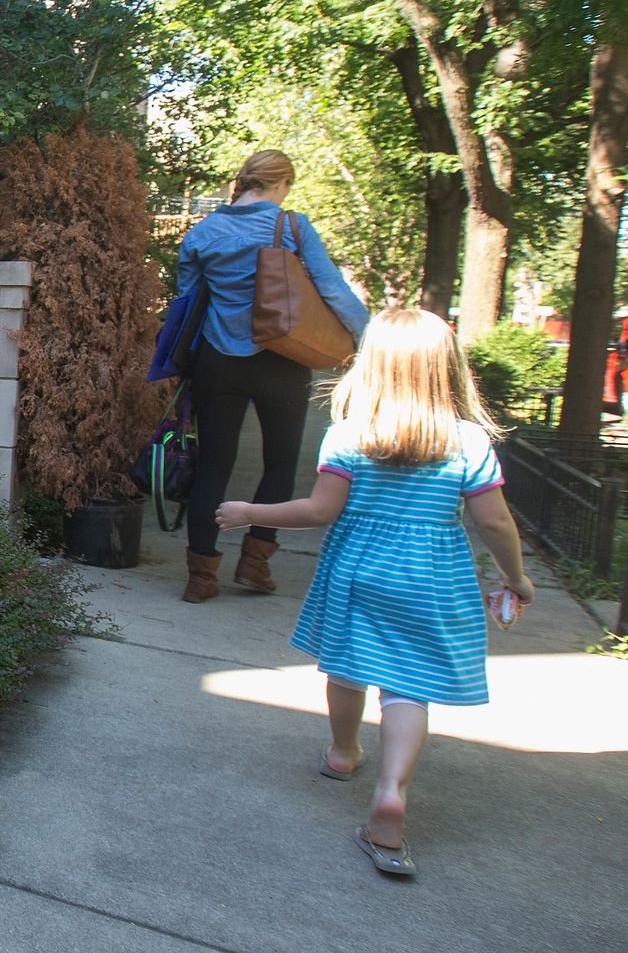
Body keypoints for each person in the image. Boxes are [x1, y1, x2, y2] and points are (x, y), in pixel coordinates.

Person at [216, 308, 536, 877]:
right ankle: (390, 793)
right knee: (408, 686)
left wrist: (249, 512)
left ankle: (343, 753)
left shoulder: (350, 434)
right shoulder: (466, 440)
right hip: (433, 576)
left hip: (358, 568)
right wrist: (514, 577)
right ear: (447, 369)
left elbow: (319, 511)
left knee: (346, 665)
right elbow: (495, 523)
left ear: (372, 366)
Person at [177, 150, 368, 604]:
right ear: (280, 183)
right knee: (280, 464)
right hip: (281, 359)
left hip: (217, 361)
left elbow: (187, 301)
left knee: (213, 469)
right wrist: (370, 341)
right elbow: (332, 289)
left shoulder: (202, 233)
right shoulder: (292, 227)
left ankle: (201, 577)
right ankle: (254, 564)